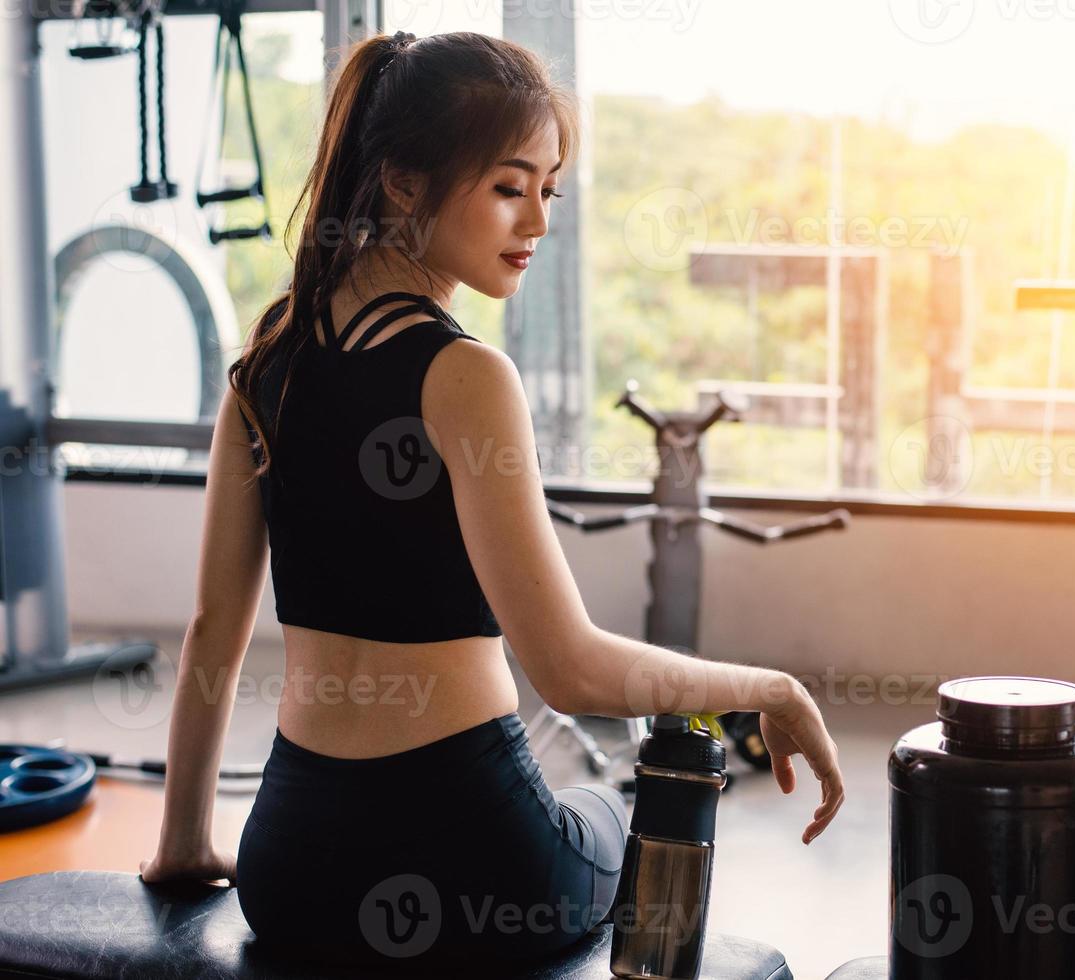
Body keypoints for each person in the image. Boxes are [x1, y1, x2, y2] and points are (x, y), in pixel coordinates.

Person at [136, 28, 843, 970]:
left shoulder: (265, 365)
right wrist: (769, 689)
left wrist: (184, 842)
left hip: (291, 869)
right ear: (402, 182)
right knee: (612, 805)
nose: (538, 223)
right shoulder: (465, 374)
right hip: (473, 862)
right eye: (510, 187)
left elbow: (211, 629)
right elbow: (571, 670)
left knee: (573, 796)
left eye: (548, 190)